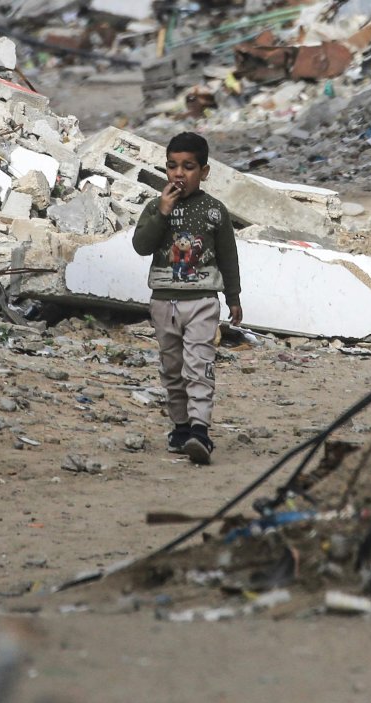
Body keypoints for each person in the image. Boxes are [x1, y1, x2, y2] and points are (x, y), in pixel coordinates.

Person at [131, 132, 242, 465]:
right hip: (163, 302)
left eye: (189, 167)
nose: (179, 174)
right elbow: (141, 246)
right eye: (172, 166)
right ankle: (181, 428)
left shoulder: (215, 211)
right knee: (173, 368)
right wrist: (162, 213)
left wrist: (233, 296)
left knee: (199, 365)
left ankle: (200, 431)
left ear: (204, 172)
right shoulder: (156, 207)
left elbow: (228, 256)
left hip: (202, 301)